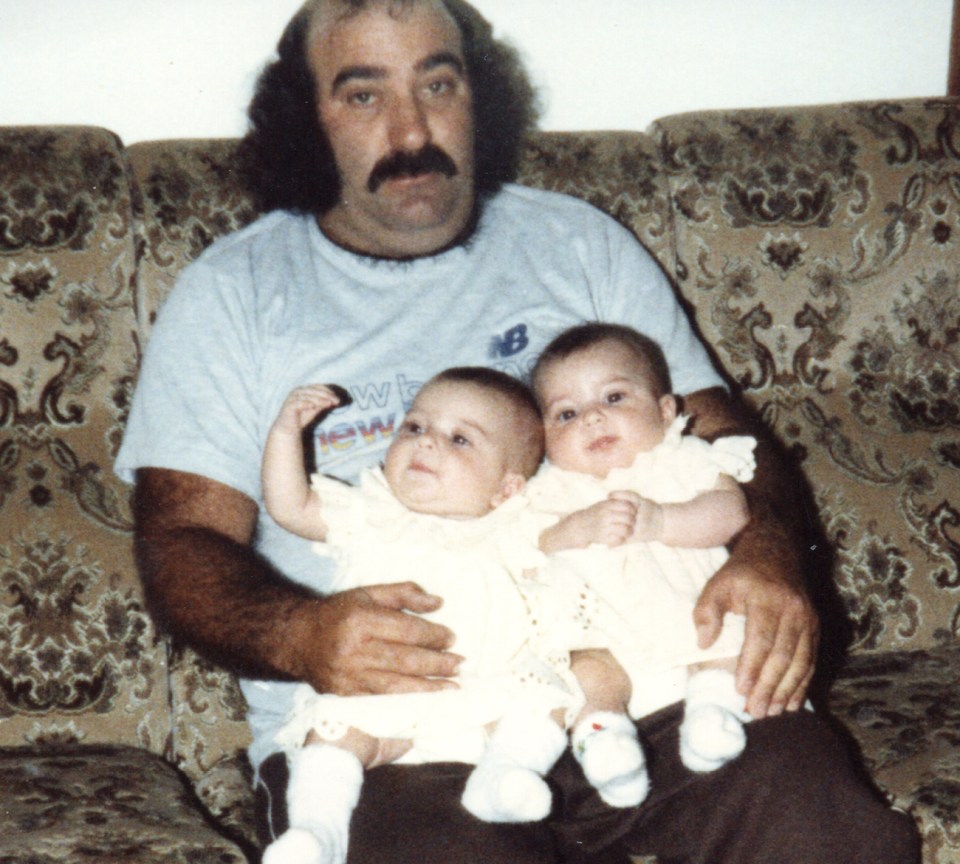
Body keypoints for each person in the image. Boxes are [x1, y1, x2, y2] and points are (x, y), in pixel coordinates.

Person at [116, 0, 920, 861]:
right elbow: (182, 540)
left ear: (480, 98)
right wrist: (298, 633)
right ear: (303, 121)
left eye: (439, 82)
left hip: (650, 690)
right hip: (404, 731)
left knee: (820, 820)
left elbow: (728, 440)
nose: (413, 128)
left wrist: (768, 547)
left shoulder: (579, 246)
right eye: (362, 96)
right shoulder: (232, 294)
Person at [259, 367, 645, 864]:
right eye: (415, 428)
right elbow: (291, 507)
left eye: (460, 439)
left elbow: (574, 537)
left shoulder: (518, 524)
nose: (427, 444)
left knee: (546, 697)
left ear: (507, 488)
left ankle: (504, 775)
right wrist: (287, 432)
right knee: (334, 731)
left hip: (487, 696)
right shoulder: (370, 513)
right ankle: (318, 831)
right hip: (384, 695)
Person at [528, 322, 757, 785]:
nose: (592, 418)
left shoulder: (685, 458)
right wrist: (577, 527)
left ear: (665, 409)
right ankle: (605, 737)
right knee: (584, 672)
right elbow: (531, 545)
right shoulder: (549, 489)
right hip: (604, 634)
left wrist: (661, 522)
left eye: (613, 398)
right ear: (544, 438)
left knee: (727, 637)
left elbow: (731, 511)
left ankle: (713, 711)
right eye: (566, 414)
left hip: (692, 614)